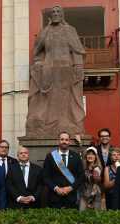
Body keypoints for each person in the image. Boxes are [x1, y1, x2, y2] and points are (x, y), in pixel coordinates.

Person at [25, 5, 86, 137]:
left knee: (66, 99)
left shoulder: (70, 30)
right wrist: (38, 63)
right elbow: (37, 52)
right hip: (48, 70)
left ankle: (67, 125)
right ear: (50, 16)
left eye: (58, 11)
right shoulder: (45, 31)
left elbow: (77, 50)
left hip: (66, 69)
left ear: (62, 14)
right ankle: (46, 125)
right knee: (48, 100)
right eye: (53, 12)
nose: (56, 13)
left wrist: (79, 66)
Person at [43, 131, 85, 209]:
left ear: (69, 141)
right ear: (58, 141)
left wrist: (70, 188)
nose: (64, 142)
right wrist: (56, 188)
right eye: (62, 139)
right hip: (54, 196)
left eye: (66, 140)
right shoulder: (50, 156)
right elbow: (45, 176)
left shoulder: (76, 156)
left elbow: (81, 176)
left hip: (71, 196)